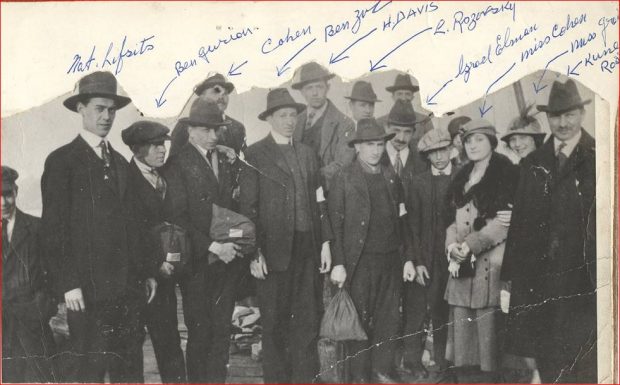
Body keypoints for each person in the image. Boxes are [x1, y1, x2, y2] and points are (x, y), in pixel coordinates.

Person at [40, 71, 157, 383]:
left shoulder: (120, 163)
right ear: (81, 109)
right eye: (99, 109)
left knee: (129, 369)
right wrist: (68, 283)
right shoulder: (61, 162)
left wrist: (145, 272)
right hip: (88, 293)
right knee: (90, 369)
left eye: (112, 110)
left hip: (127, 292)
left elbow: (135, 224)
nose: (107, 116)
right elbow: (54, 229)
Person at [500, 79, 597, 383]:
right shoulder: (533, 161)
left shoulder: (600, 155)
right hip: (538, 279)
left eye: (569, 115)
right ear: (547, 119)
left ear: (581, 114)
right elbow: (520, 224)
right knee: (545, 353)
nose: (563, 123)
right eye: (555, 116)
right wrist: (509, 278)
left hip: (583, 278)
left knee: (584, 357)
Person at [239, 88, 333, 383]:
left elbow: (320, 202)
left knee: (306, 321)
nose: (290, 121)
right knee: (274, 324)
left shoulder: (307, 154)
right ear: (269, 119)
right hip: (273, 253)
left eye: (293, 115)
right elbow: (248, 208)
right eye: (283, 115)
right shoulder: (255, 154)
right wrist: (254, 252)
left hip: (307, 250)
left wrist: (326, 244)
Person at [329, 118, 416, 384]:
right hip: (359, 263)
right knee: (359, 322)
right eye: (370, 145)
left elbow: (403, 221)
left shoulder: (391, 176)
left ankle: (382, 371)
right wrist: (339, 263)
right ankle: (359, 377)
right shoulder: (344, 178)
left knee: (388, 319)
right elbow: (335, 225)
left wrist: (408, 259)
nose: (376, 150)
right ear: (357, 147)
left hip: (390, 260)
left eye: (380, 144)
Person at [164, 98, 245, 383]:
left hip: (226, 263)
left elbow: (235, 208)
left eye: (217, 130)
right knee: (200, 334)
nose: (214, 136)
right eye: (208, 130)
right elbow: (178, 219)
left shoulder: (225, 159)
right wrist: (214, 246)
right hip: (198, 265)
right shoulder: (177, 164)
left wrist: (233, 243)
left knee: (221, 333)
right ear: (191, 131)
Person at [443, 119, 519, 382]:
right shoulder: (462, 176)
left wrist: (471, 245)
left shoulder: (506, 172)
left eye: (479, 140)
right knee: (464, 343)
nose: (473, 145)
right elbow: (451, 220)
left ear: (491, 142)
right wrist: (453, 245)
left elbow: (503, 223)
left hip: (490, 264)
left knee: (488, 341)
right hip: (462, 265)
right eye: (468, 141)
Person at [121, 121, 187, 383]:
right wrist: (154, 266)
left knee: (170, 342)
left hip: (166, 277)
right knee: (132, 348)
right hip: (137, 280)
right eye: (155, 145)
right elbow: (128, 235)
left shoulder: (165, 176)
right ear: (138, 149)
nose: (162, 150)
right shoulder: (124, 181)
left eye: (164, 144)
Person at [401, 129, 454, 379]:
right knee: (416, 311)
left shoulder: (462, 178)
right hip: (425, 260)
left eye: (443, 150)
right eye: (433, 153)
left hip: (452, 260)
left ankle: (444, 364)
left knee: (446, 312)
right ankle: (412, 363)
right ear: (427, 156)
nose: (439, 157)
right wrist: (417, 261)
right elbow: (410, 227)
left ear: (452, 149)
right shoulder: (418, 182)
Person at [2, 166, 58, 383]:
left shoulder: (37, 228)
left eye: (7, 194)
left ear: (16, 191)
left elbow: (53, 274)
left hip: (34, 327)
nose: (3, 203)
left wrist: (43, 308)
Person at [291, 61, 356, 190]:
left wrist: (310, 179)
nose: (315, 93)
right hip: (298, 192)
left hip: (329, 192)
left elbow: (343, 163)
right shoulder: (295, 121)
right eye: (309, 88)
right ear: (302, 92)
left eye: (319, 87)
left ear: (327, 88)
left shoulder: (345, 123)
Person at [169, 73, 247, 157]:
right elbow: (174, 163)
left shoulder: (237, 127)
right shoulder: (184, 126)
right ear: (202, 96)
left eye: (225, 93)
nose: (221, 97)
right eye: (215, 92)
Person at [382, 100, 429, 197]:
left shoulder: (423, 160)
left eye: (407, 132)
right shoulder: (375, 155)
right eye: (396, 130)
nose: (401, 138)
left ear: (414, 132)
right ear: (386, 128)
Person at [376, 73, 434, 150]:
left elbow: (432, 146)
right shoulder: (380, 122)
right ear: (393, 96)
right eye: (399, 94)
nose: (403, 98)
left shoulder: (425, 121)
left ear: (412, 97)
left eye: (407, 94)